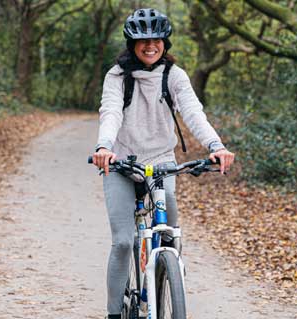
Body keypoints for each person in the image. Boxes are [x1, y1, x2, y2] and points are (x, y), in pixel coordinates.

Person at [92, 8, 235, 319]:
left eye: (156, 40)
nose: (150, 46)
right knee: (122, 242)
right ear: (131, 44)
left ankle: (167, 271)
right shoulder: (117, 76)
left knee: (168, 223)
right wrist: (104, 146)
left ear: (164, 43)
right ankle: (114, 313)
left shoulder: (174, 75)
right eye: (142, 41)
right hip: (121, 161)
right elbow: (112, 112)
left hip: (161, 161)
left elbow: (194, 113)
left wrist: (216, 146)